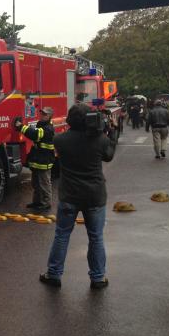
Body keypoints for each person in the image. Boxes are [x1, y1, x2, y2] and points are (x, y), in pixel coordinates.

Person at [39, 103, 116, 289]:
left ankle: (54, 274)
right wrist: (111, 131)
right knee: (96, 237)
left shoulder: (60, 140)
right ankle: (98, 278)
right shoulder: (100, 139)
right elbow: (109, 155)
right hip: (95, 196)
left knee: (62, 235)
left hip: (69, 195)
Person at [14, 107, 56, 212]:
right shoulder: (40, 125)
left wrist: (21, 127)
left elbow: (35, 134)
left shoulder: (48, 128)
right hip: (38, 159)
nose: (42, 115)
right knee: (35, 183)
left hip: (44, 160)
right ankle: (37, 202)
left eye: (45, 114)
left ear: (50, 116)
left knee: (44, 183)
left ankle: (46, 203)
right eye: (41, 113)